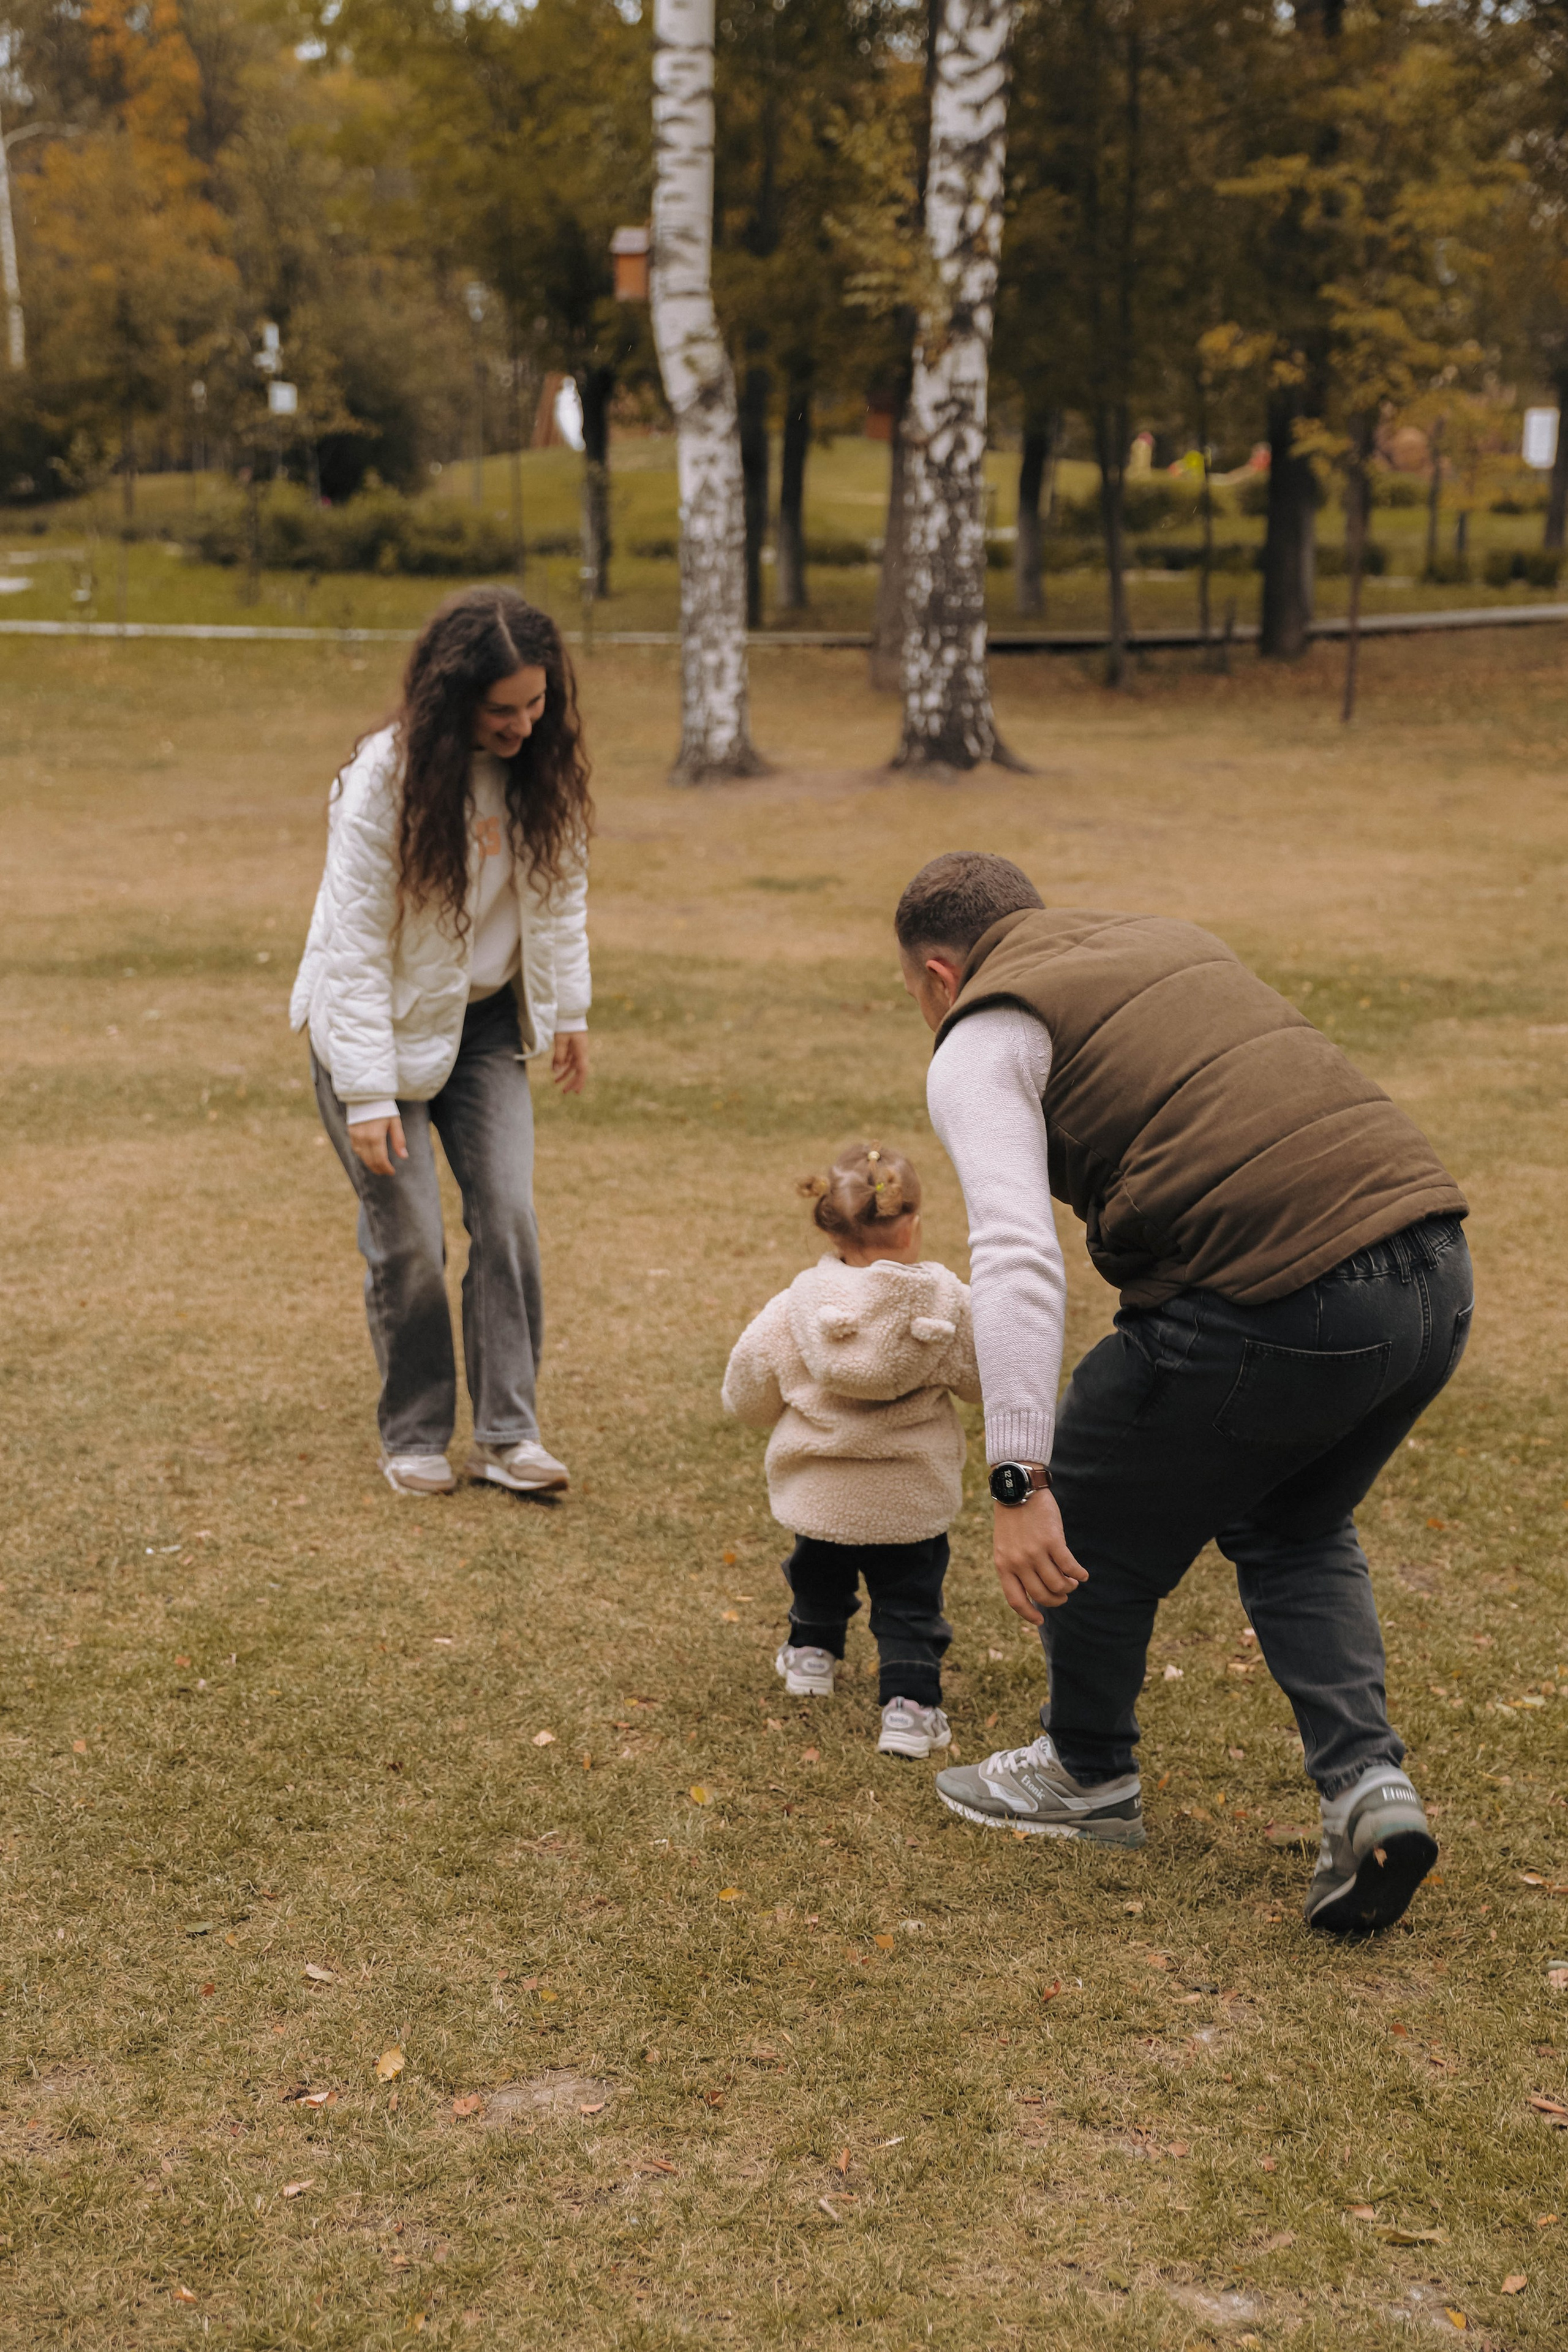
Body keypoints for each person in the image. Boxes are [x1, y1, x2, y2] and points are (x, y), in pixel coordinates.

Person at [895, 852, 1472, 1934]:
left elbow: (1018, 1259)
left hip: (1275, 1293)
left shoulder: (982, 1034)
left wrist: (1018, 1480)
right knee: (1295, 1523)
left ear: (938, 973)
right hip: (1436, 1268)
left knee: (1093, 1518)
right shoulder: (1161, 938)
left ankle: (1084, 1774)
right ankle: (1368, 1789)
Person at [290, 586, 591, 1497]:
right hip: (373, 1030)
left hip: (486, 1026)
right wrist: (370, 1094)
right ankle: (415, 1432)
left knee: (507, 1215)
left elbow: (559, 892)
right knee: (412, 1238)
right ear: (452, 698)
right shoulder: (383, 779)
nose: (523, 724)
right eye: (502, 710)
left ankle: (508, 1435)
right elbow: (350, 948)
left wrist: (567, 1010)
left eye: (536, 703)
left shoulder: (546, 765)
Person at [722, 1145, 981, 1760]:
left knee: (817, 1572)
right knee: (911, 1598)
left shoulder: (795, 1308)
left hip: (822, 1491)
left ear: (830, 1227)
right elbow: (982, 1384)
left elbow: (747, 1393)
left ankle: (811, 1656)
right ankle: (911, 1707)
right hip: (909, 1497)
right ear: (913, 1224)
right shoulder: (948, 1305)